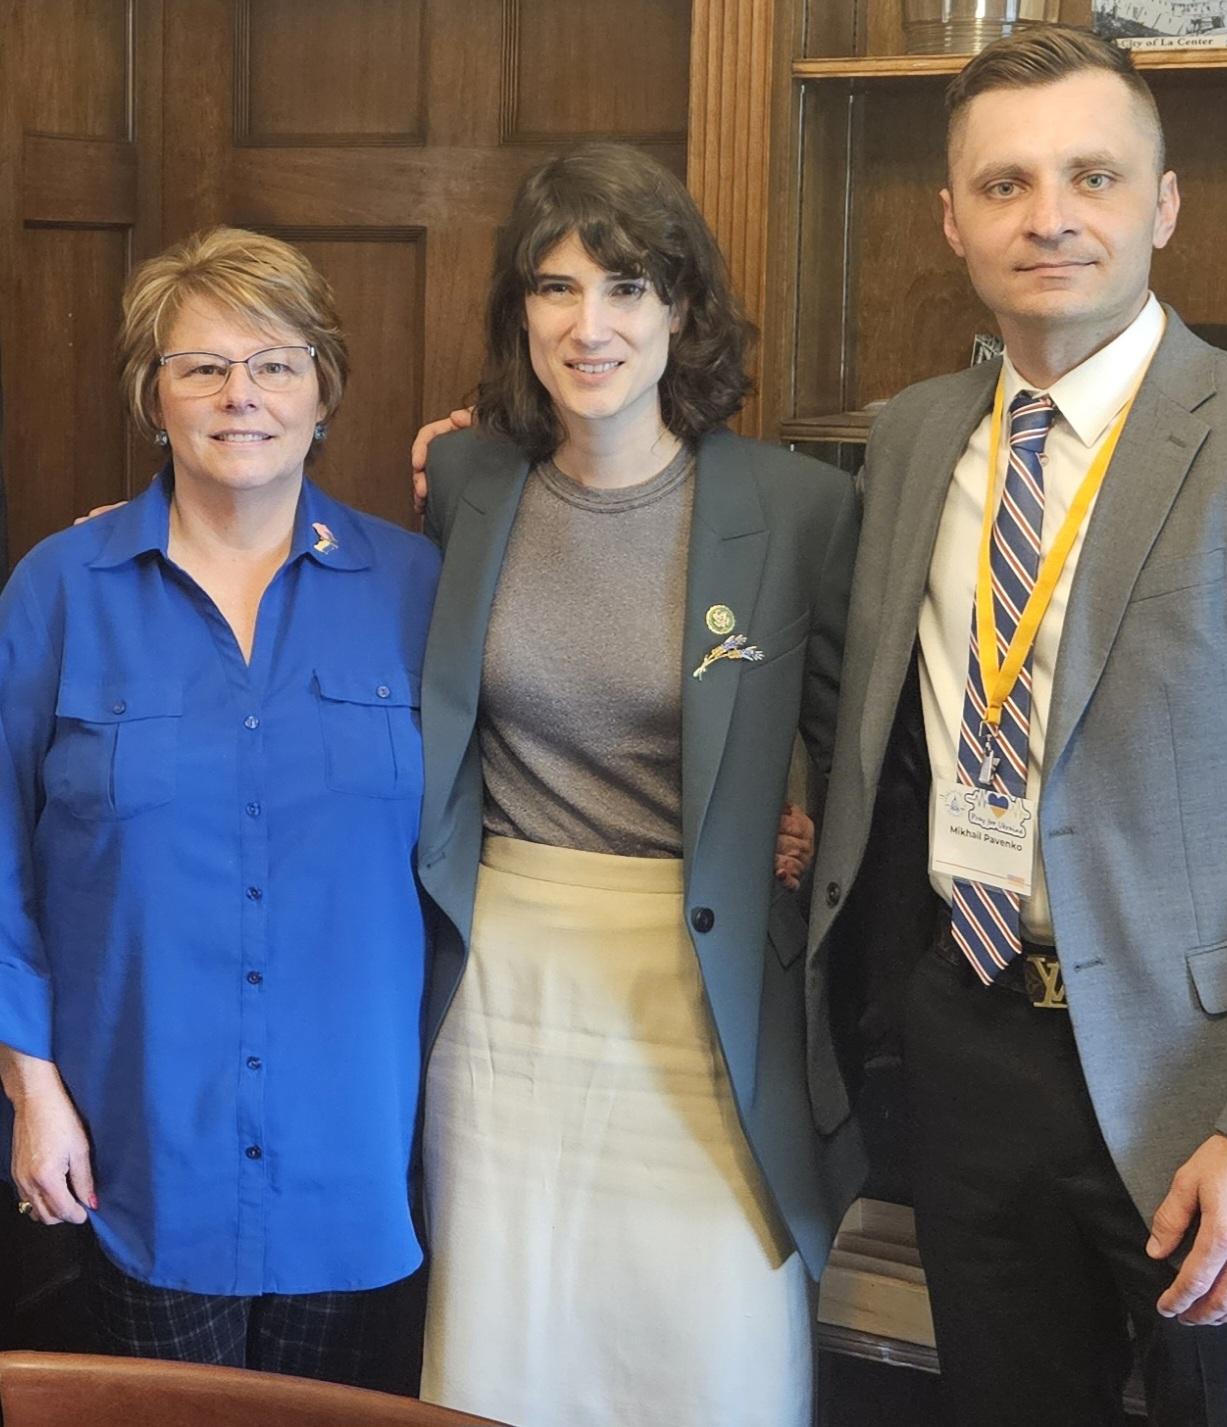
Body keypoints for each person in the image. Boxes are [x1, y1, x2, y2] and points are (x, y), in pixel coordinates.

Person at [799, 28, 1227, 1427]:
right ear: (951, 220)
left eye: (1092, 175)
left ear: (1160, 205)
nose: (1049, 214)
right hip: (966, 1049)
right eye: (1004, 183)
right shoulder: (914, 435)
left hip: (1210, 1090)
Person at [410, 143, 862, 1427]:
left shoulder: (797, 506)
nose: (589, 324)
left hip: (703, 987)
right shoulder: (465, 482)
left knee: (708, 1345)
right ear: (520, 316)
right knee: (508, 1339)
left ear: (680, 308)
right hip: (501, 986)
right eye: (555, 290)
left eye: (625, 287)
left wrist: (808, 826)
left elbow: (857, 735)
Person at [0, 228, 439, 1384]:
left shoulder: (420, 587)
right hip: (142, 1150)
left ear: (324, 390)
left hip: (362, 1155)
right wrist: (31, 1085)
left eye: (276, 363)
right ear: (155, 396)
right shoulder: (58, 588)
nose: (240, 394)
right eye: (201, 367)